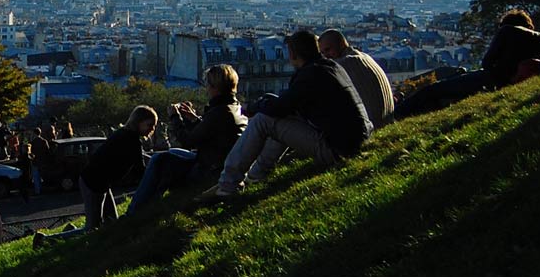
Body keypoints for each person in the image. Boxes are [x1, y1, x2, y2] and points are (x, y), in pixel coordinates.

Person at [197, 30, 372, 201]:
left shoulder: (310, 75)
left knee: (262, 121)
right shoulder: (330, 67)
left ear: (293, 54)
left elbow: (280, 108)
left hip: (338, 149)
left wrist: (253, 107)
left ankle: (228, 186)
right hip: (357, 139)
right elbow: (287, 106)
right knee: (273, 115)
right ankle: (256, 174)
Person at [393, 10, 540, 120]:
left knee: (434, 89)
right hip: (514, 82)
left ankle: (396, 113)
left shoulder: (507, 30)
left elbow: (487, 62)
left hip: (494, 78)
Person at [127, 64, 248, 214]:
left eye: (208, 85)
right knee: (173, 151)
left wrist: (175, 117)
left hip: (209, 170)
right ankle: (152, 201)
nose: (207, 89)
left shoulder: (220, 112)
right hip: (219, 162)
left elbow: (188, 141)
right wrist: (195, 120)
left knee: (159, 160)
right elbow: (211, 134)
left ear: (215, 87)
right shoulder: (234, 107)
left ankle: (135, 210)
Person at [79, 105, 158, 232]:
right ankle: (48, 240)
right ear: (139, 122)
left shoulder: (124, 134)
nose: (152, 129)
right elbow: (140, 170)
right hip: (93, 182)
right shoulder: (132, 141)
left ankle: (70, 230)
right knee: (92, 228)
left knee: (111, 222)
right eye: (149, 125)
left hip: (99, 181)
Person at [318, 29, 396, 126]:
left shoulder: (343, 65)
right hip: (387, 121)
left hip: (372, 128)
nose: (326, 56)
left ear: (341, 44)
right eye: (323, 53)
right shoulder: (365, 57)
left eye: (328, 50)